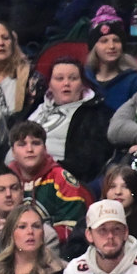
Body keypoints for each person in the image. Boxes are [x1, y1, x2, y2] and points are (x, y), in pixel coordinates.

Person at [7, 118, 96, 244]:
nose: (29, 149)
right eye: (22, 144)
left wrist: (35, 237)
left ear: (45, 148)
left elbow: (72, 227)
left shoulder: (60, 179)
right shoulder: (3, 179)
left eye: (36, 143)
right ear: (13, 152)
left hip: (51, 250)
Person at [27, 58, 110, 186]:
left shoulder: (96, 114)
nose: (66, 83)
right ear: (49, 84)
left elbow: (88, 161)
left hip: (59, 178)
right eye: (59, 78)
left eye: (73, 78)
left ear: (83, 84)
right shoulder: (35, 106)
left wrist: (46, 170)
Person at [0, 164, 61, 265]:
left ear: (22, 195)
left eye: (14, 188)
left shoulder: (44, 233)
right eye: (1, 189)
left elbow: (49, 273)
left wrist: (15, 245)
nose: (8, 194)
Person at [82, 11, 137, 111]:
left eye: (116, 40)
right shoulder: (84, 79)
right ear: (94, 48)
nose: (111, 46)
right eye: (104, 41)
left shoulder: (136, 81)